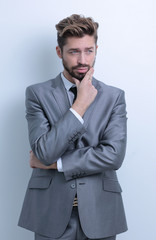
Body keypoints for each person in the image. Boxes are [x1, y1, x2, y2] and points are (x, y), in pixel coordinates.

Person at [18, 14, 128, 240]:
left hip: (100, 210)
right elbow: (44, 152)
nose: (83, 60)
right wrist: (79, 106)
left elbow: (113, 157)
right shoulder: (37, 94)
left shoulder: (114, 97)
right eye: (74, 52)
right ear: (60, 52)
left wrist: (57, 164)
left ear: (97, 49)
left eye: (89, 50)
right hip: (51, 212)